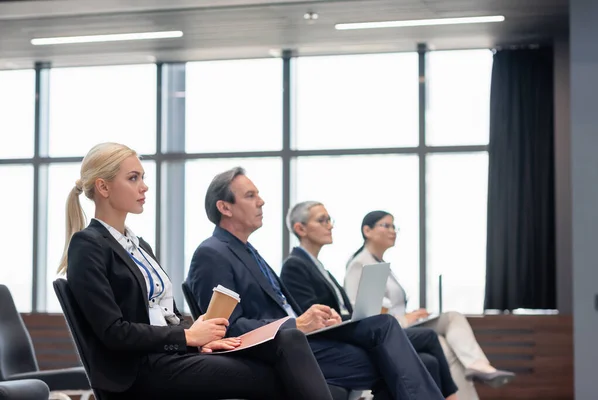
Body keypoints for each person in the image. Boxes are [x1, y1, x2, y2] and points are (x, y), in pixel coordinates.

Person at [59, 143, 334, 400]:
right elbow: (113, 332)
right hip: (140, 370)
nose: (144, 186)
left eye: (142, 177)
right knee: (277, 375)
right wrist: (187, 337)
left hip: (171, 356)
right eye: (133, 178)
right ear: (103, 188)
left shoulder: (138, 244)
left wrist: (196, 337)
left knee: (287, 338)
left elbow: (167, 315)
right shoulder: (87, 245)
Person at [187, 167, 446, 400]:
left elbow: (284, 307)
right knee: (403, 363)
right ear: (225, 207)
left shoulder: (250, 251)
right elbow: (226, 328)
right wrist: (296, 323)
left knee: (384, 325)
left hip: (300, 337)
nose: (262, 201)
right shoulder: (212, 253)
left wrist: (318, 320)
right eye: (250, 196)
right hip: (278, 347)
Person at [281, 201, 458, 400]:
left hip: (344, 325)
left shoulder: (322, 268)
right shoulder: (294, 265)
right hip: (330, 333)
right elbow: (309, 313)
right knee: (418, 335)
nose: (329, 225)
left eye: (330, 220)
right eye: (322, 220)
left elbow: (341, 306)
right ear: (300, 228)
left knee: (428, 361)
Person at [345, 211, 516, 399]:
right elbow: (362, 311)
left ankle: (478, 365)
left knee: (452, 317)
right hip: (392, 329)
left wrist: (412, 314)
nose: (393, 231)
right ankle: (464, 383)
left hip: (404, 323)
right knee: (444, 345)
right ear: (367, 231)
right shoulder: (359, 264)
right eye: (386, 226)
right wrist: (404, 318)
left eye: (394, 226)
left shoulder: (382, 264)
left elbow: (389, 305)